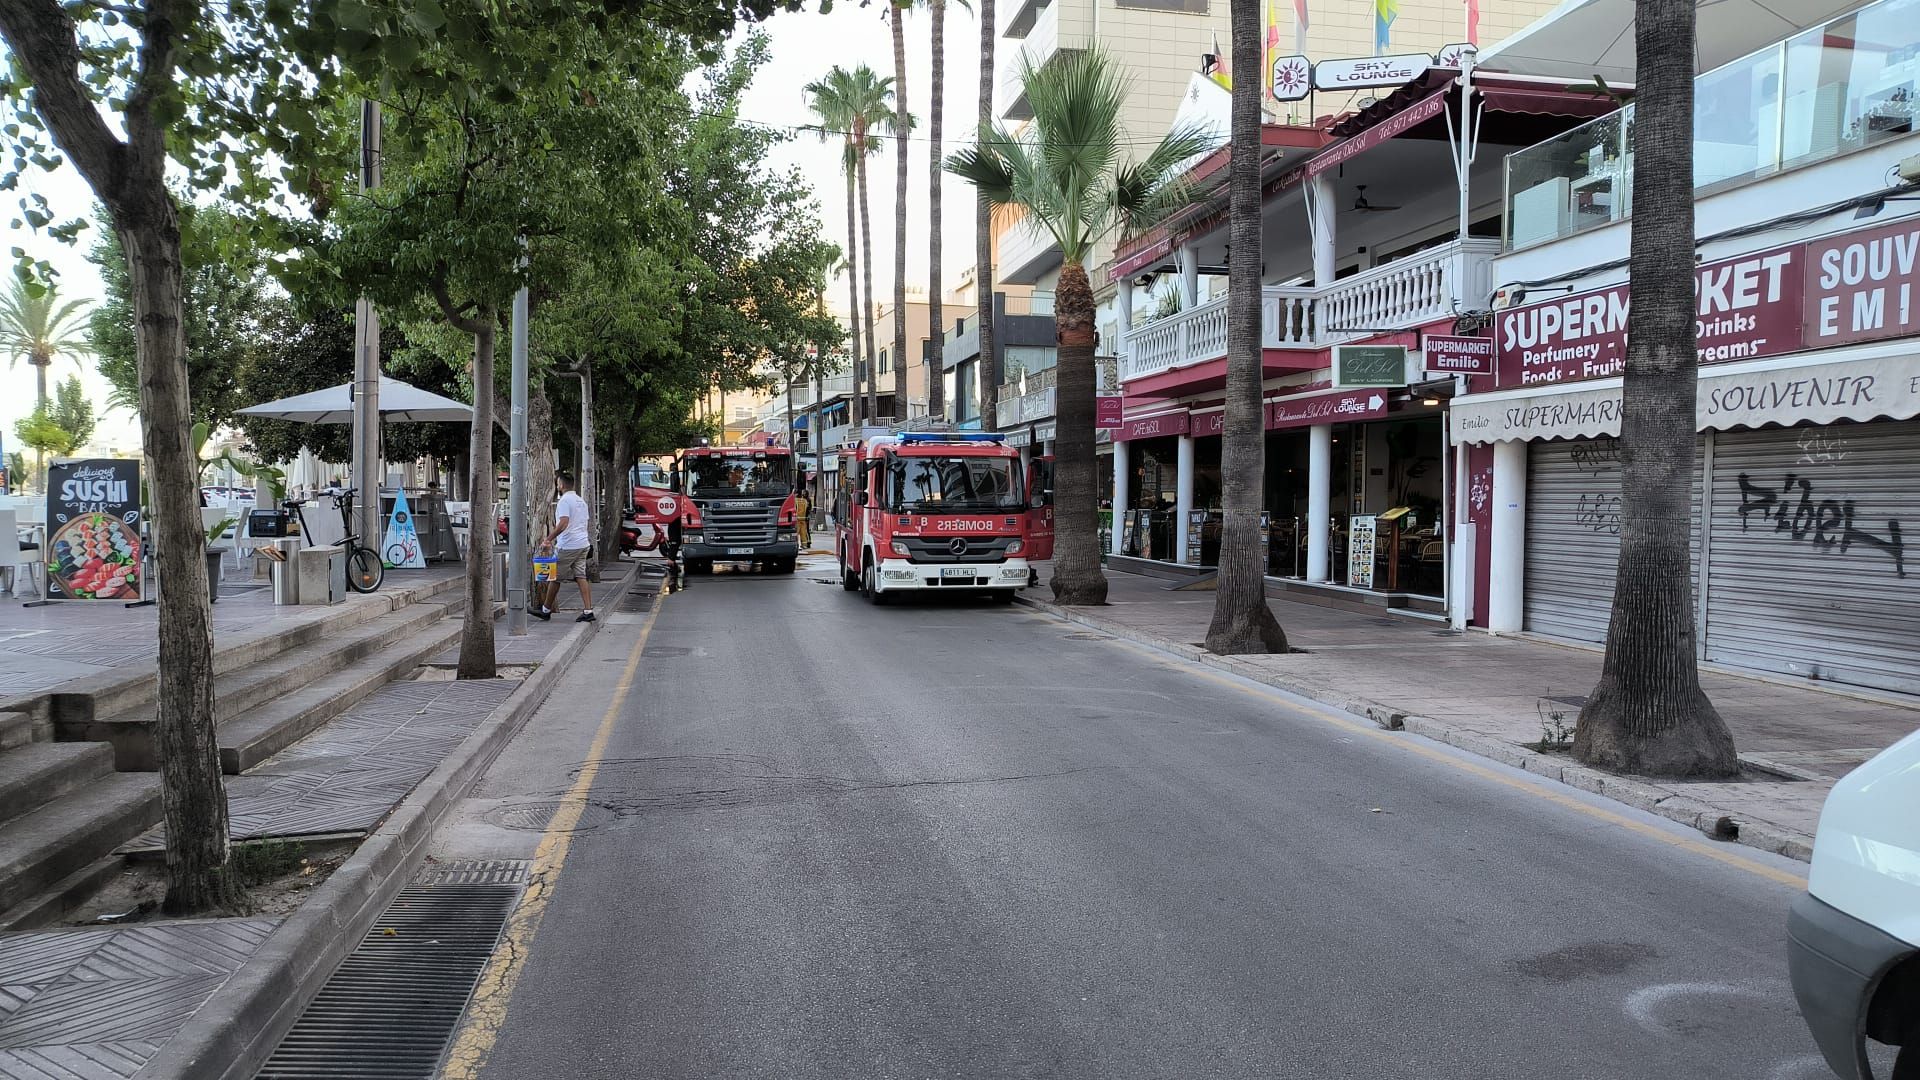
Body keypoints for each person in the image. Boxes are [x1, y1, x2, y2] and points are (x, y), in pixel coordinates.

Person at [532, 471, 594, 623]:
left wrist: (548, 539)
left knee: (555, 577)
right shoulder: (581, 501)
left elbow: (564, 522)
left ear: (560, 485)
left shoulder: (565, 501)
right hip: (583, 544)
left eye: (557, 483)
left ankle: (546, 610)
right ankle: (588, 610)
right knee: (580, 576)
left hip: (569, 545)